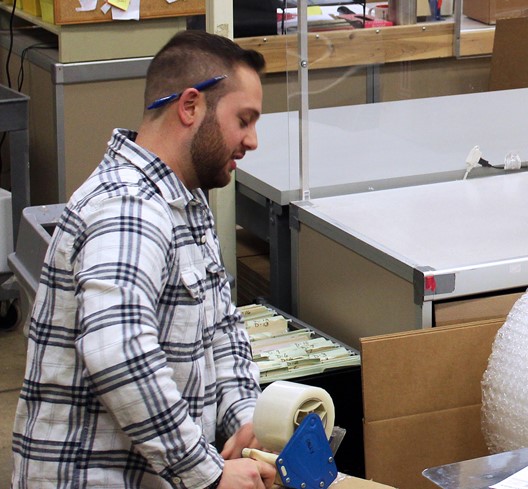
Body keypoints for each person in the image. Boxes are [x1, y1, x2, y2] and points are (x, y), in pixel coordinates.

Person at [11, 30, 276, 489]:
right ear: (190, 106)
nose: (252, 141)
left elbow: (223, 333)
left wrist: (245, 419)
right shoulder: (128, 208)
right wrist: (207, 473)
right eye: (244, 119)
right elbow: (119, 353)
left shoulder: (184, 203)